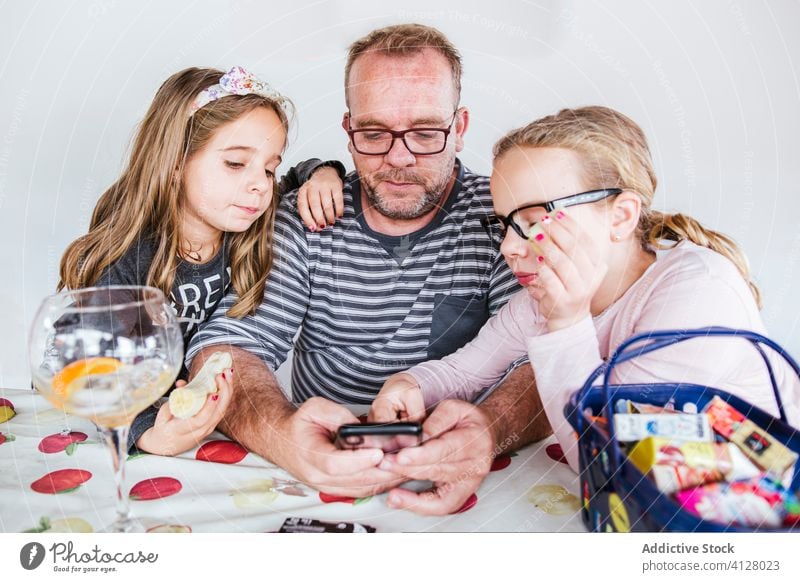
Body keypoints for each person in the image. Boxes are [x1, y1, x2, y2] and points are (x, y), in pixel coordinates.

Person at [186, 24, 551, 512]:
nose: (399, 157)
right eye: (374, 134)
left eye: (424, 133)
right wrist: (284, 438)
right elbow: (227, 349)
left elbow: (550, 353)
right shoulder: (304, 215)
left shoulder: (502, 212)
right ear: (348, 133)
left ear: (459, 129)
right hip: (327, 472)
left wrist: (489, 430)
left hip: (485, 476)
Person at [371, 105, 800, 472]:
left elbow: (616, 464)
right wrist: (407, 384)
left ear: (621, 216)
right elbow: (462, 371)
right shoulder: (540, 300)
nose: (508, 247)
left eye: (534, 220)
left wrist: (566, 323)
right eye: (504, 223)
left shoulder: (698, 292)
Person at [58, 66, 344, 456]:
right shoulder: (132, 257)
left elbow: (297, 178)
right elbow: (96, 367)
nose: (260, 183)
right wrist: (147, 433)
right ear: (176, 162)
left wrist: (324, 174)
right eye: (235, 163)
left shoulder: (250, 229)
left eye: (268, 167)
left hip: (206, 421)